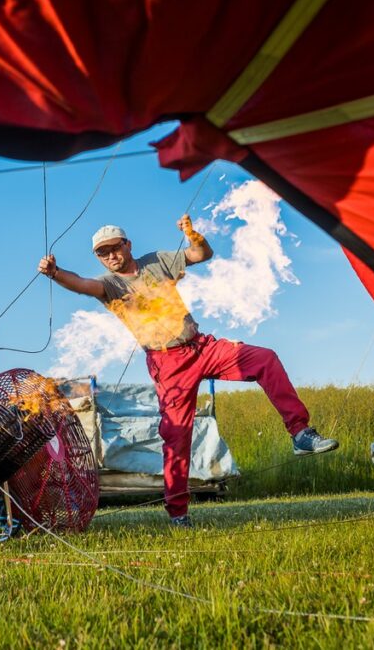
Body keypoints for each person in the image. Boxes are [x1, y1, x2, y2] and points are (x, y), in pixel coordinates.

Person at [37, 216, 338, 526]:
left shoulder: (157, 261)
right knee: (177, 435)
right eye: (102, 253)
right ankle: (178, 512)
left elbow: (201, 254)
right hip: (167, 364)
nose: (110, 256)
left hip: (200, 346)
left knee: (265, 359)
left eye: (115, 248)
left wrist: (193, 235)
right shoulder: (109, 285)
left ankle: (300, 433)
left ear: (128, 245)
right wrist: (56, 273)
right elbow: (81, 284)